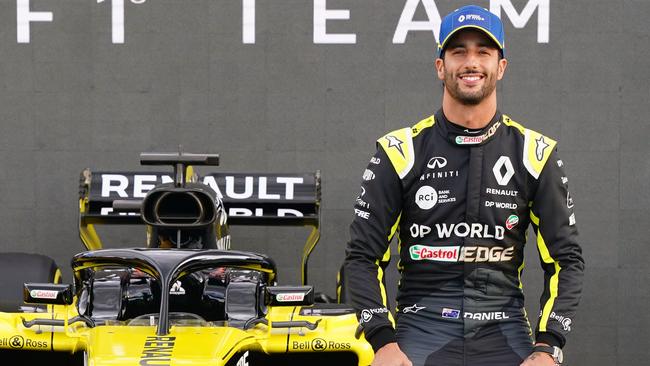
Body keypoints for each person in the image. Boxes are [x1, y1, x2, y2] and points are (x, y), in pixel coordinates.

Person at [342, 5, 584, 366]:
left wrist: (548, 347)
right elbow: (361, 258)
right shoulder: (400, 151)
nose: (471, 62)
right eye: (458, 52)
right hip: (419, 329)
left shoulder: (535, 153)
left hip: (503, 329)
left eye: (483, 52)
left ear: (500, 67)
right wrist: (383, 342)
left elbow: (567, 262)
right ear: (441, 66)